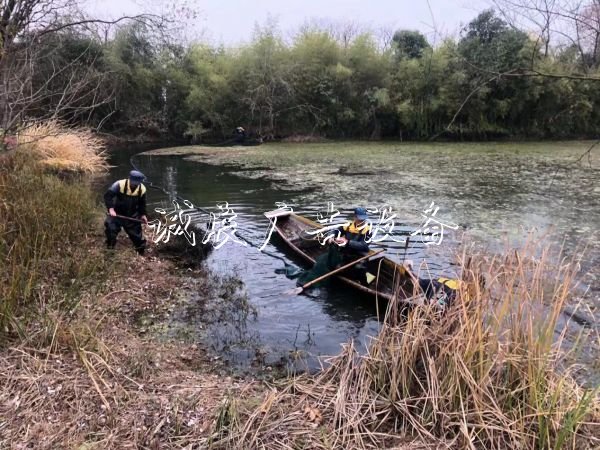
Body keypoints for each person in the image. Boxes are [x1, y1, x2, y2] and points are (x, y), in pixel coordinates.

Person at [104, 170, 148, 255]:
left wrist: (143, 215)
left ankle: (140, 252)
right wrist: (111, 209)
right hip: (117, 214)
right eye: (133, 182)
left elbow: (142, 204)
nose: (134, 185)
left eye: (136, 183)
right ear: (129, 179)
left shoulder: (142, 189)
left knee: (137, 237)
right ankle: (110, 249)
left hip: (132, 215)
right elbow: (108, 196)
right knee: (110, 228)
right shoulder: (118, 184)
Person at [328, 207, 374, 285]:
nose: (362, 221)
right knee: (334, 267)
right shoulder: (348, 226)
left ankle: (367, 281)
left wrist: (347, 242)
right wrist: (331, 236)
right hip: (347, 254)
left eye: (363, 219)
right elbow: (335, 231)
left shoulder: (368, 230)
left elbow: (364, 246)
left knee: (359, 269)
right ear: (355, 217)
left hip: (360, 256)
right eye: (360, 218)